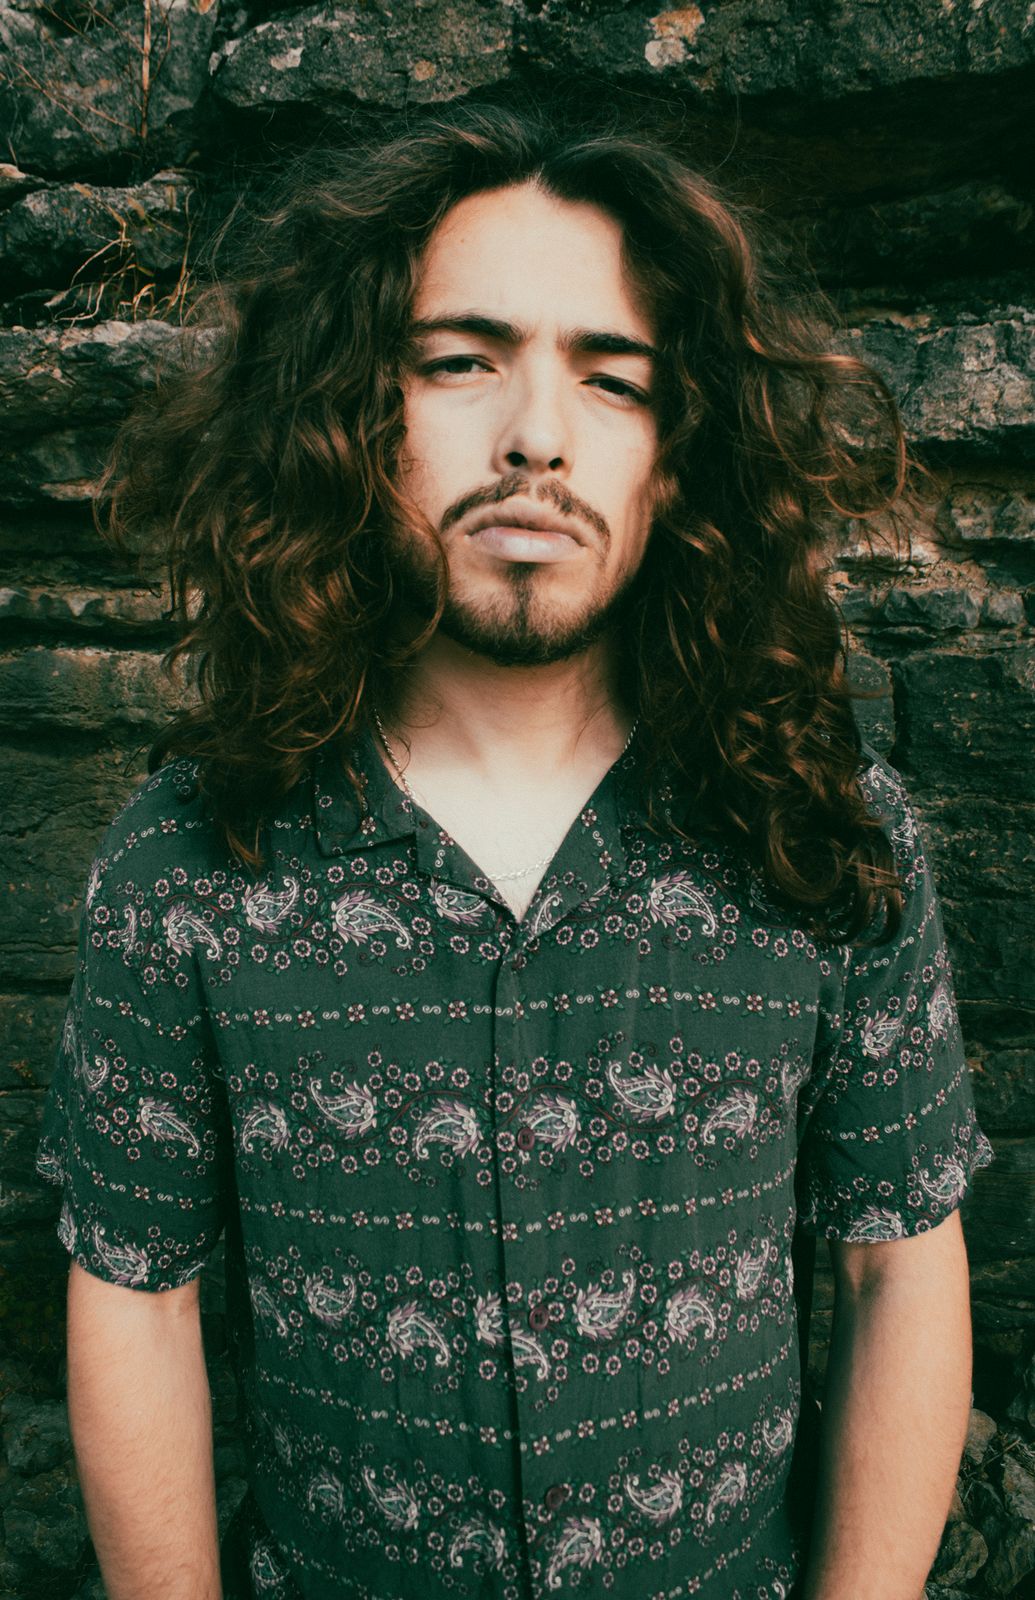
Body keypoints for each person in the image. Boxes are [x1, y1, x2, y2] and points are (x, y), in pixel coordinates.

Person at [35, 93, 994, 1600]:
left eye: (613, 381)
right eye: (461, 362)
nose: (536, 435)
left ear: (678, 454)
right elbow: (135, 1298)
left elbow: (900, 1266)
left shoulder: (828, 830)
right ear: (355, 415)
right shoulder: (187, 863)